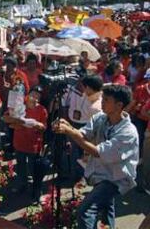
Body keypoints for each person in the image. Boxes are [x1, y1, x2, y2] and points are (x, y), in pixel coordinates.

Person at [53, 85, 139, 229]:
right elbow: (83, 134)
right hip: (101, 174)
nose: (102, 103)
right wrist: (69, 127)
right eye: (102, 99)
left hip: (116, 179)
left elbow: (98, 152)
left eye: (106, 100)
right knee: (106, 211)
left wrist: (70, 131)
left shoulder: (128, 132)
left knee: (85, 211)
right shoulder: (101, 118)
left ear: (119, 105)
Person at [4, 86, 47, 202]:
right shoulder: (19, 106)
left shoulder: (42, 110)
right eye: (33, 94)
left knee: (34, 169)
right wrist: (16, 120)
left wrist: (36, 125)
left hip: (34, 145)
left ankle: (37, 190)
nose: (35, 97)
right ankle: (21, 185)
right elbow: (6, 118)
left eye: (38, 95)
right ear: (27, 96)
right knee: (21, 166)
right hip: (19, 144)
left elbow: (43, 128)